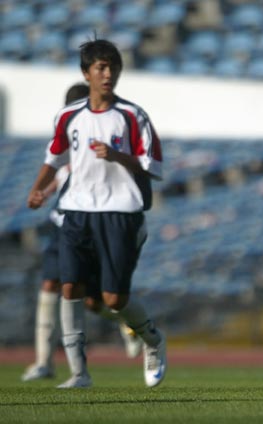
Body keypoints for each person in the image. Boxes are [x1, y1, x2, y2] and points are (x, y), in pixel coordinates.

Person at [26, 39, 166, 389]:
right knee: (70, 287)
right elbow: (53, 157)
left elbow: (152, 165)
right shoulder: (68, 116)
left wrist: (117, 155)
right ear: (86, 73)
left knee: (113, 299)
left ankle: (152, 339)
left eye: (113, 67)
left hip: (120, 211)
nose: (108, 74)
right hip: (76, 210)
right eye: (101, 68)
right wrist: (38, 189)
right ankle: (79, 373)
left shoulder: (133, 116)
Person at [22, 83, 143, 383]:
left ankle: (129, 323)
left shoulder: (99, 135)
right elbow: (62, 170)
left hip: (90, 221)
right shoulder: (67, 132)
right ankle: (44, 362)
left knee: (93, 300)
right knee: (50, 284)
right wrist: (44, 192)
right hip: (62, 222)